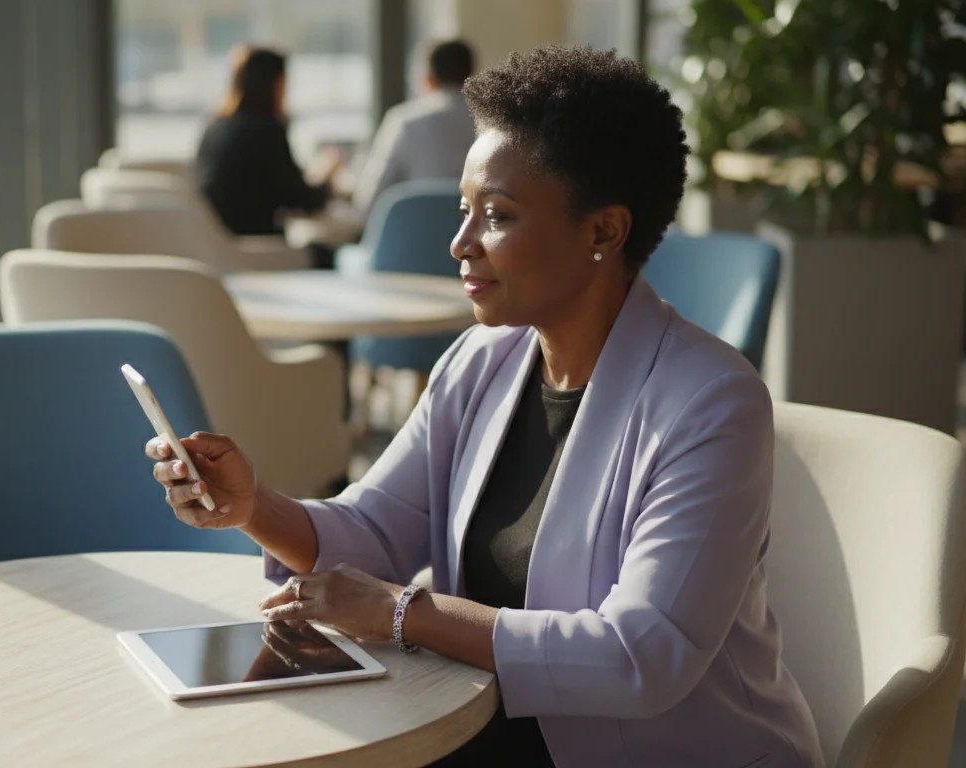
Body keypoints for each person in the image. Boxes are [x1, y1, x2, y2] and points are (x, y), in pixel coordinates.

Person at [147, 46, 823, 767]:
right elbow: (378, 528)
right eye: (464, 210)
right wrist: (253, 507)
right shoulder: (482, 361)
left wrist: (404, 612)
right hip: (487, 736)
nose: (460, 243)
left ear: (604, 231)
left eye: (496, 216)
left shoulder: (710, 403)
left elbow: (643, 654)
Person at [193, 46, 342, 237]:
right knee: (330, 252)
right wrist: (327, 176)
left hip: (214, 240)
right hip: (254, 242)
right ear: (277, 84)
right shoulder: (265, 129)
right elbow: (304, 201)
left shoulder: (215, 125)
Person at [351, 39, 477, 213]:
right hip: (478, 236)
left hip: (416, 237)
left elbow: (367, 200)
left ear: (427, 80)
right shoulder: (495, 123)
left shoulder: (405, 121)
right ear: (473, 75)